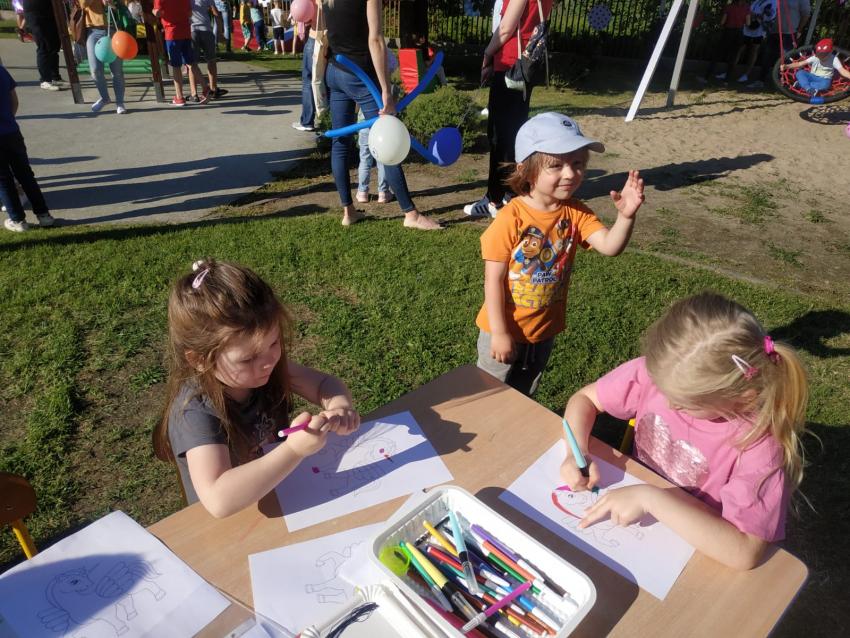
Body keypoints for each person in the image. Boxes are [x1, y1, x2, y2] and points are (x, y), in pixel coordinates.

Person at [559, 292, 809, 571]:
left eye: (684, 403)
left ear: (743, 396)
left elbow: (745, 552)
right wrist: (576, 450)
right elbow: (585, 399)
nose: (668, 404)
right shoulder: (658, 374)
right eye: (663, 390)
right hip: (635, 513)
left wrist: (650, 498)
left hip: (691, 549)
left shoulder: (760, 445)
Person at [153, 260, 361, 517]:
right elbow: (219, 500)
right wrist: (293, 450)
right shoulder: (194, 411)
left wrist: (340, 407)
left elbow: (323, 384)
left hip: (283, 491)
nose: (268, 362)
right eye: (248, 358)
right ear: (200, 360)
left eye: (274, 343)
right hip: (234, 522)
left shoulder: (264, 370)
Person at [475, 112, 643, 396]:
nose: (570, 174)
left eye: (577, 164)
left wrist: (626, 217)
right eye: (556, 165)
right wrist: (500, 333)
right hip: (502, 329)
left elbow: (609, 246)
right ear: (526, 170)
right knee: (489, 394)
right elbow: (493, 280)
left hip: (543, 331)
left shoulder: (576, 212)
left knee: (525, 396)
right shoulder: (511, 218)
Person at [323, 0, 440, 230]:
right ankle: (410, 214)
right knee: (389, 136)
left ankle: (349, 211)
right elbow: (375, 40)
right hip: (360, 75)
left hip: (336, 71)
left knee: (340, 143)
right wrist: (386, 90)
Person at [464, 0, 553, 219]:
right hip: (526, 67)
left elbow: (505, 28)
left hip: (510, 66)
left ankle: (494, 199)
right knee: (514, 134)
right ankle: (510, 193)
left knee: (499, 136)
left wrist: (487, 54)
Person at [0, 64, 54, 232]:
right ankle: (44, 215)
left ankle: (17, 219)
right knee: (25, 174)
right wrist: (8, 120)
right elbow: (14, 100)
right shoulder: (1, 71)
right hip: (11, 132)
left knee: (4, 180)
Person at [153, 0, 211, 106]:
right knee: (191, 62)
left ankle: (179, 97)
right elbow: (189, 13)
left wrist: (153, 11)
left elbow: (158, 13)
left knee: (176, 66)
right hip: (185, 31)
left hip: (172, 32)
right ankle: (205, 88)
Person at [750, 0, 810, 89]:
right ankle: (760, 80)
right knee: (767, 56)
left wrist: (799, 30)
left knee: (786, 58)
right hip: (774, 31)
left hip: (790, 32)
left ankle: (785, 83)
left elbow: (806, 15)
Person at [80, 0, 127, 114]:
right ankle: (105, 98)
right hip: (93, 30)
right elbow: (83, 4)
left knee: (117, 71)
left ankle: (120, 103)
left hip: (113, 29)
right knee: (95, 70)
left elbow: (122, 6)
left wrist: (112, 4)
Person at [781, 37, 850, 96]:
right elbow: (799, 64)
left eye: (824, 54)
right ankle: (808, 88)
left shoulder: (834, 59)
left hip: (824, 79)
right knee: (800, 73)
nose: (821, 56)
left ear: (831, 51)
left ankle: (802, 85)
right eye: (819, 54)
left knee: (826, 85)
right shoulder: (815, 57)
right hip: (812, 76)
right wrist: (787, 66)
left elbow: (842, 71)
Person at [702, 0, 750, 82]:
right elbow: (748, 23)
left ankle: (707, 76)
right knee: (733, 56)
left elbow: (722, 22)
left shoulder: (729, 7)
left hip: (728, 31)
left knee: (718, 54)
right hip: (739, 33)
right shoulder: (746, 8)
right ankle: (727, 80)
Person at [22, 0, 64, 91]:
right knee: (44, 45)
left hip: (49, 11)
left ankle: (55, 77)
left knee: (54, 45)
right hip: (35, 12)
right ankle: (45, 80)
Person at [190, 0, 226, 100]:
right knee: (211, 60)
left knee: (192, 64)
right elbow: (216, 13)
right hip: (206, 29)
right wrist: (220, 33)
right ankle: (213, 89)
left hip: (192, 30)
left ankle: (194, 94)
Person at [290, 3, 316, 131]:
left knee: (308, 80)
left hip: (315, 35)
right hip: (332, 37)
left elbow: (305, 12)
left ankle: (307, 121)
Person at [736, 0, 774, 83]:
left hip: (759, 31)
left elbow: (770, 16)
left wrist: (756, 15)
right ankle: (730, 70)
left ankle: (746, 75)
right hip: (748, 28)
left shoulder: (773, 2)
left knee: (753, 51)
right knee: (740, 49)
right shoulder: (756, 1)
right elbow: (749, 10)